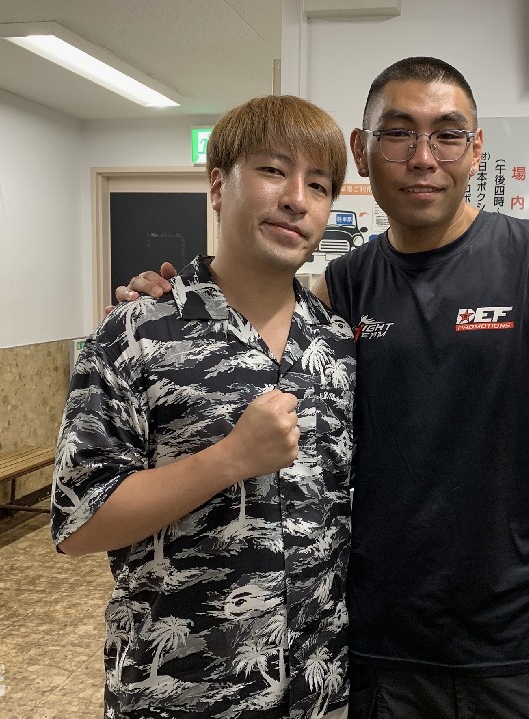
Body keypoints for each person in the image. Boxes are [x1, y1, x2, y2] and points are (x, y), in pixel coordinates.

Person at [120, 56, 529, 719]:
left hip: (524, 639)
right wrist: (169, 302)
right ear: (363, 150)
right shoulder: (343, 286)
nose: (423, 158)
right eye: (398, 134)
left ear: (475, 149)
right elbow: (255, 326)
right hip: (381, 640)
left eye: (447, 135)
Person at [52, 95, 355, 719]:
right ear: (218, 184)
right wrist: (230, 459)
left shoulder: (337, 344)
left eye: (319, 185)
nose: (297, 199)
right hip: (181, 692)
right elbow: (78, 525)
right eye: (273, 170)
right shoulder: (134, 334)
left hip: (320, 691)